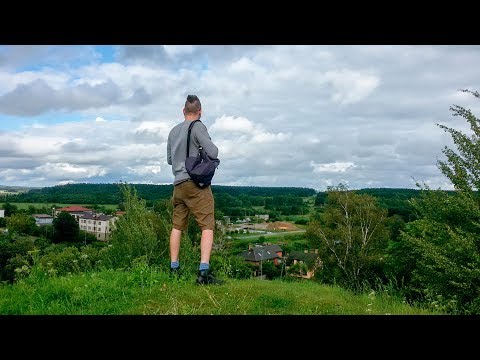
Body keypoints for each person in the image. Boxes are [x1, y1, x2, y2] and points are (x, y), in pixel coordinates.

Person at [166, 94, 223, 285]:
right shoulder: (198, 126)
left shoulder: (173, 131)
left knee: (177, 226)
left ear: (183, 111)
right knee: (207, 226)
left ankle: (174, 268)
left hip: (178, 184)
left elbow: (169, 160)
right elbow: (213, 152)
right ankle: (203, 273)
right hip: (195, 183)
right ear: (200, 112)